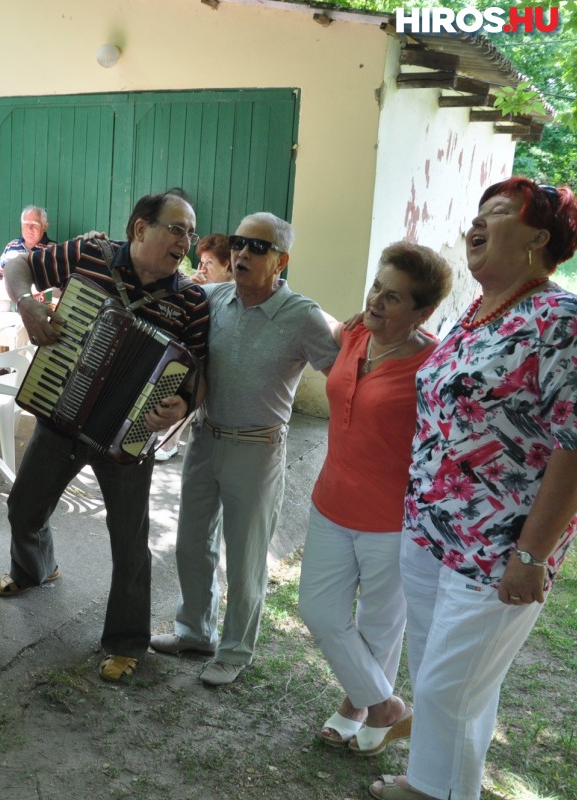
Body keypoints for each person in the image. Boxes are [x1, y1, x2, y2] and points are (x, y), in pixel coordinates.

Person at [369, 181, 577, 800]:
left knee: (447, 688)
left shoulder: (560, 320)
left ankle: (439, 791)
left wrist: (532, 555)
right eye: (478, 213)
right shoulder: (480, 311)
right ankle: (433, 782)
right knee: (445, 678)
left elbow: (574, 445)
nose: (477, 224)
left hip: (498, 549)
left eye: (499, 214)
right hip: (433, 532)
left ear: (540, 237)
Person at [0, 189, 210, 683]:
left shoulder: (191, 300)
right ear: (140, 228)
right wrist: (27, 305)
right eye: (176, 229)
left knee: (130, 541)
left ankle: (126, 640)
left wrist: (186, 401)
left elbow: (201, 370)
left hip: (127, 436)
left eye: (190, 233)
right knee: (23, 506)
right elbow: (18, 265)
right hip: (60, 407)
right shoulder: (90, 254)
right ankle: (35, 569)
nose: (186, 241)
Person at [151, 212, 339, 686]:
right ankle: (194, 631)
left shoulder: (301, 315)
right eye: (238, 243)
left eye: (258, 247)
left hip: (257, 452)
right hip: (204, 439)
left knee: (246, 554)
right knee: (192, 544)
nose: (242, 254)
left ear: (282, 259)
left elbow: (343, 369)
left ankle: (234, 651)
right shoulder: (212, 298)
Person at [297, 243, 452, 753]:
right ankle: (388, 706)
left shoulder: (435, 364)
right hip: (331, 501)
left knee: (380, 622)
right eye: (377, 288)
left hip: (393, 518)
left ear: (423, 313)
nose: (378, 302)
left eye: (395, 298)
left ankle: (355, 705)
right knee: (319, 610)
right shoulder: (354, 333)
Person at [156, 233, 234, 462]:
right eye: (202, 262)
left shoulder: (233, 288)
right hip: (199, 349)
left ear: (226, 264)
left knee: (196, 375)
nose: (204, 267)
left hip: (220, 357)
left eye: (210, 262)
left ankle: (169, 439)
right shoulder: (203, 285)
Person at [0, 206, 55, 356]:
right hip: (10, 307)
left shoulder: (52, 250)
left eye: (34, 224)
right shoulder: (12, 247)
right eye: (25, 224)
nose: (29, 228)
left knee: (23, 326)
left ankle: (20, 373)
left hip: (34, 307)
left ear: (45, 226)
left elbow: (57, 286)